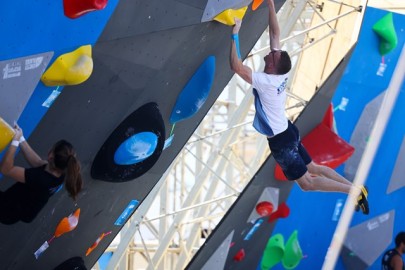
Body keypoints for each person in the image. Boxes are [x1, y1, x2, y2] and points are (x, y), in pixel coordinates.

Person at [229, 0, 369, 214]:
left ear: (273, 65)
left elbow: (237, 67)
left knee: (307, 183)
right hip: (287, 132)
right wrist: (271, 6)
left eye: (270, 56)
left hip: (283, 139)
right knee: (313, 169)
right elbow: (275, 34)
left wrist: (235, 34)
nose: (268, 54)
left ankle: (352, 191)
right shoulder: (279, 73)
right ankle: (354, 189)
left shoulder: (267, 82)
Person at [0, 124, 83, 201]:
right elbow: (38, 162)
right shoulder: (61, 170)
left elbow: (6, 169)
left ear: (50, 156)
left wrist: (15, 142)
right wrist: (20, 138)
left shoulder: (39, 178)